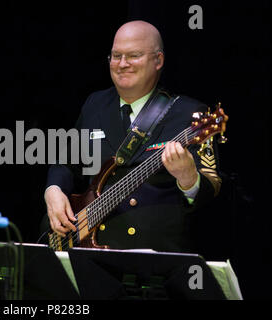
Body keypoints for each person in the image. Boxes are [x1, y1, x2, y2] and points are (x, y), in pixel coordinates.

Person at [43, 20, 222, 253]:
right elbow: (67, 161)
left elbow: (213, 197)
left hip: (154, 260)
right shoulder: (96, 104)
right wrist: (53, 190)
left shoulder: (191, 114)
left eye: (133, 56)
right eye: (116, 56)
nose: (122, 64)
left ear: (158, 60)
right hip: (90, 253)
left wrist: (189, 179)